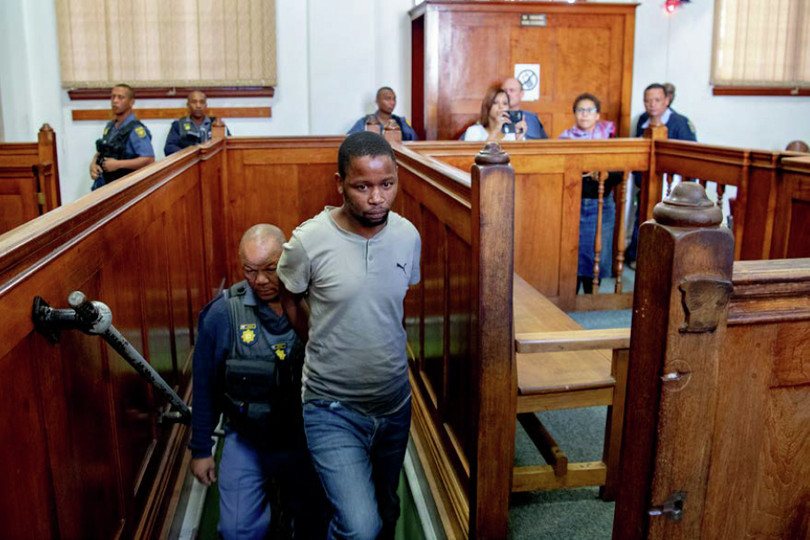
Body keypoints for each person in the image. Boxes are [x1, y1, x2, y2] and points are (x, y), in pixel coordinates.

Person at [277, 132, 421, 540]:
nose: (376, 197)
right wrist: (319, 339)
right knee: (359, 527)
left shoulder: (408, 235)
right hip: (332, 407)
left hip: (394, 405)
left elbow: (390, 306)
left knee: (386, 506)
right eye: (362, 186)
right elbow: (289, 296)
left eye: (386, 184)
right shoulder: (309, 240)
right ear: (339, 183)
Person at [189, 224, 326, 540]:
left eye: (270, 269)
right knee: (237, 531)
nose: (260, 280)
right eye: (250, 271)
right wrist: (201, 450)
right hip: (248, 437)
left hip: (306, 438)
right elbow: (206, 387)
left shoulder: (318, 303)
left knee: (316, 523)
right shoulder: (223, 314)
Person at [559, 93, 623, 293]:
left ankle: (591, 293)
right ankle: (572, 292)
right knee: (573, 250)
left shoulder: (609, 138)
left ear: (597, 115)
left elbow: (620, 172)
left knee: (597, 250)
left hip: (601, 204)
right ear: (574, 114)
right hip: (574, 203)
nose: (584, 114)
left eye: (590, 110)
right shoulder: (564, 138)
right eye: (580, 110)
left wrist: (604, 173)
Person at [90, 84, 155, 190]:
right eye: (113, 97)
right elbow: (103, 150)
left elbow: (149, 159)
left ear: (131, 102)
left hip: (125, 187)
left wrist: (118, 164)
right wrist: (93, 164)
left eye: (120, 97)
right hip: (104, 184)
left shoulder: (136, 130)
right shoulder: (110, 126)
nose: (115, 101)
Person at [347, 86, 418, 141]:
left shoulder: (401, 122)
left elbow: (414, 142)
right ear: (377, 101)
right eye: (388, 99)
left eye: (394, 99)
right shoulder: (366, 122)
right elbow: (350, 140)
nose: (392, 102)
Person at [164, 90, 222, 155]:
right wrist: (190, 154)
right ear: (188, 105)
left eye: (202, 102)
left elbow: (227, 144)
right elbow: (169, 148)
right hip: (188, 162)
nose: (198, 106)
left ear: (206, 105)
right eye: (194, 102)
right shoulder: (178, 125)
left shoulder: (216, 124)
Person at [461, 86, 527, 142]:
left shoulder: (512, 133)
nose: (501, 106)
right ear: (488, 107)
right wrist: (497, 129)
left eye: (505, 103)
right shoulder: (474, 131)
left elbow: (520, 156)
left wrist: (519, 139)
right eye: (495, 103)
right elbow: (480, 154)